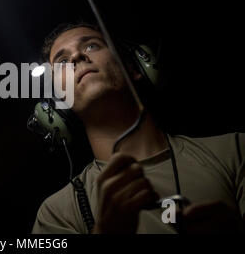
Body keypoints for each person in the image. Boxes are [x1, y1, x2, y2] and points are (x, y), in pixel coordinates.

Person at [31, 22, 245, 234]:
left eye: (91, 46)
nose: (77, 58)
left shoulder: (235, 151)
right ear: (61, 103)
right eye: (62, 62)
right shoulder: (57, 213)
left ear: (134, 66)